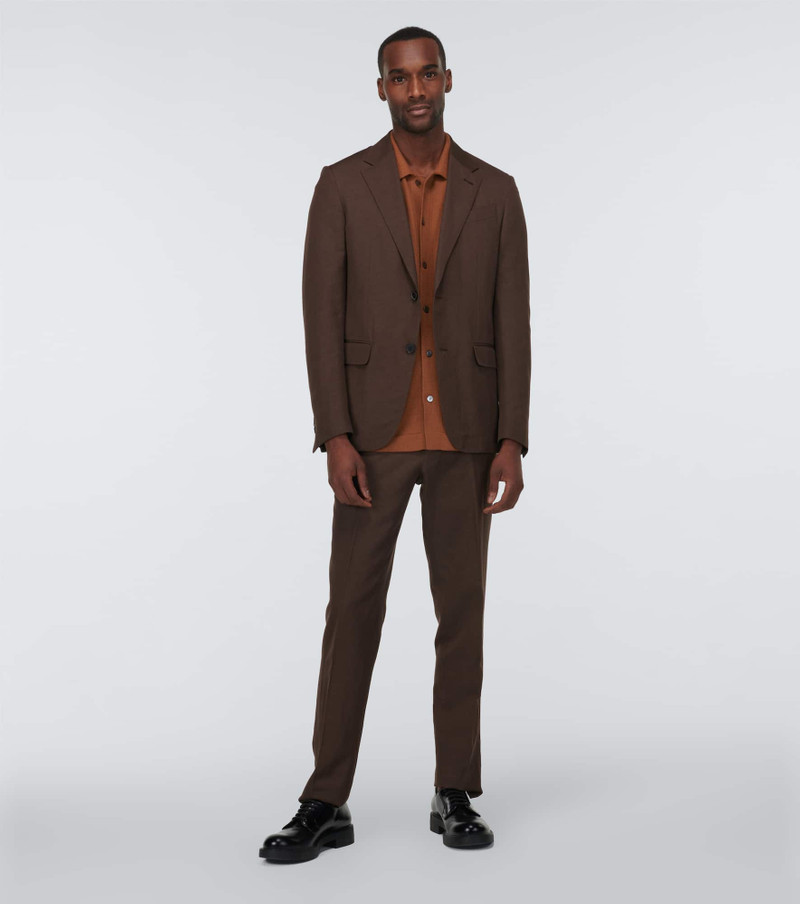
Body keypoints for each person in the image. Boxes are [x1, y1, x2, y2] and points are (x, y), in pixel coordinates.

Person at [259, 25, 530, 863]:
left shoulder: (496, 191)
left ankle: (456, 791)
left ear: (447, 79)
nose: (416, 90)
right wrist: (334, 434)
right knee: (351, 615)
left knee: (462, 616)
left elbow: (512, 323)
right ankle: (324, 800)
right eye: (399, 77)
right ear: (381, 88)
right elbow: (321, 317)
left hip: (465, 434)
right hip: (372, 440)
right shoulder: (342, 186)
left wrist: (512, 438)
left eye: (427, 74)